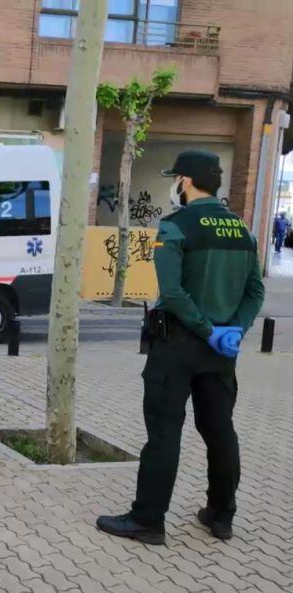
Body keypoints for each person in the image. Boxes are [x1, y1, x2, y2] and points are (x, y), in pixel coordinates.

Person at [97, 150, 265, 545]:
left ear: (185, 182)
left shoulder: (176, 226)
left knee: (164, 432)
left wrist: (206, 330)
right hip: (222, 350)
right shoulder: (243, 230)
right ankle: (221, 516)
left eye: (176, 179)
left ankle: (147, 520)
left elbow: (171, 292)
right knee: (220, 431)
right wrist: (232, 331)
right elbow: (255, 292)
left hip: (178, 345)